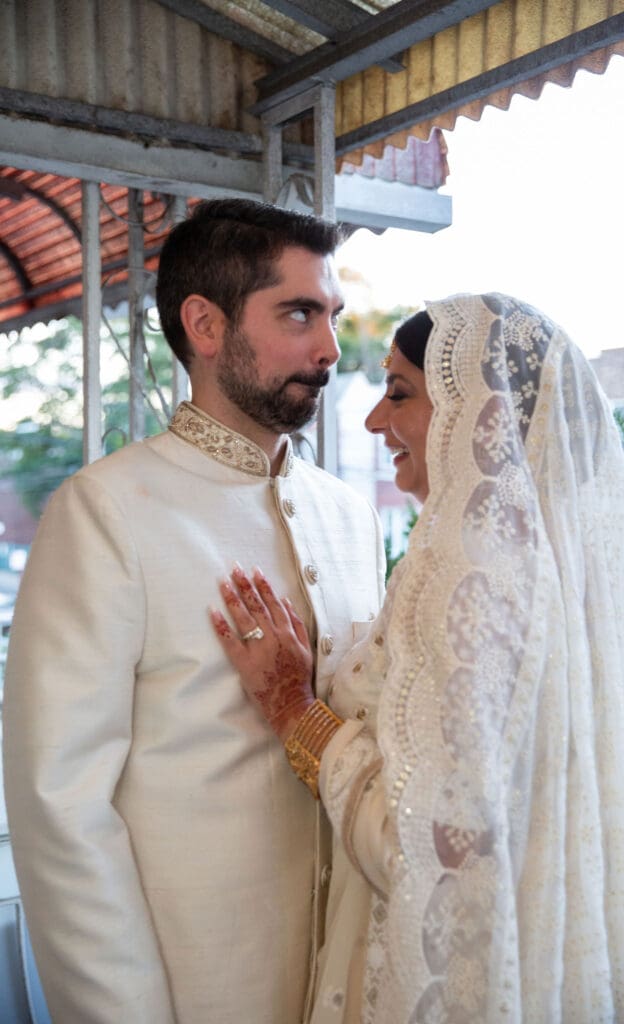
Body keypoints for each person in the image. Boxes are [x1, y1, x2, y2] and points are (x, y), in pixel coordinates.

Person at [212, 293, 624, 1023]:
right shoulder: (558, 572)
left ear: (483, 415)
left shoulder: (473, 575)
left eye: (398, 393)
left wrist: (291, 709)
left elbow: (428, 851)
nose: (373, 420)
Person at [2, 199, 386, 1024]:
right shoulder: (106, 512)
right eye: (297, 313)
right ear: (205, 327)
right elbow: (60, 807)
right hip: (197, 988)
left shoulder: (349, 518)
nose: (328, 349)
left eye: (332, 316)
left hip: (352, 985)